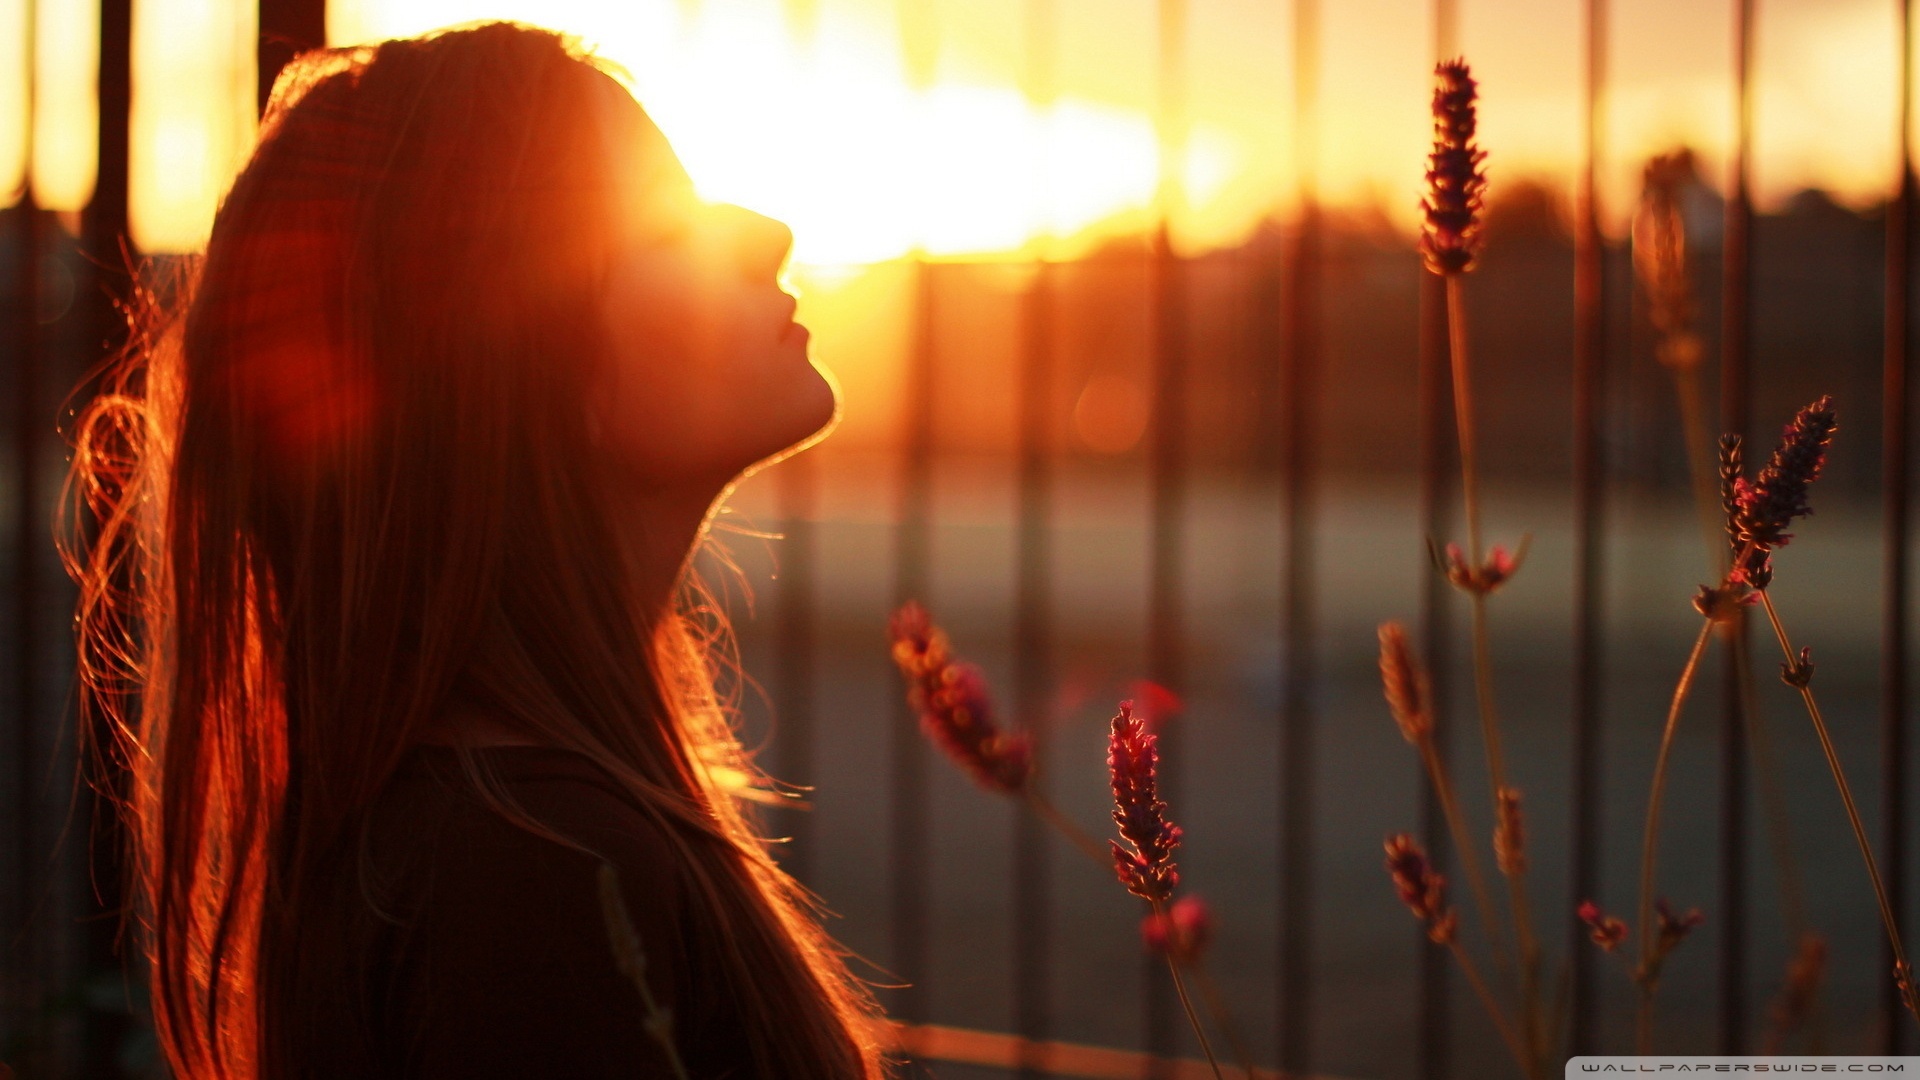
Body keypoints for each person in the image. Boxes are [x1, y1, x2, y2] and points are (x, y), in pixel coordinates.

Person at [63, 21, 889, 1078]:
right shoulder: (538, 874)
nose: (766, 230)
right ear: (518, 365)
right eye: (666, 232)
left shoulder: (500, 828)